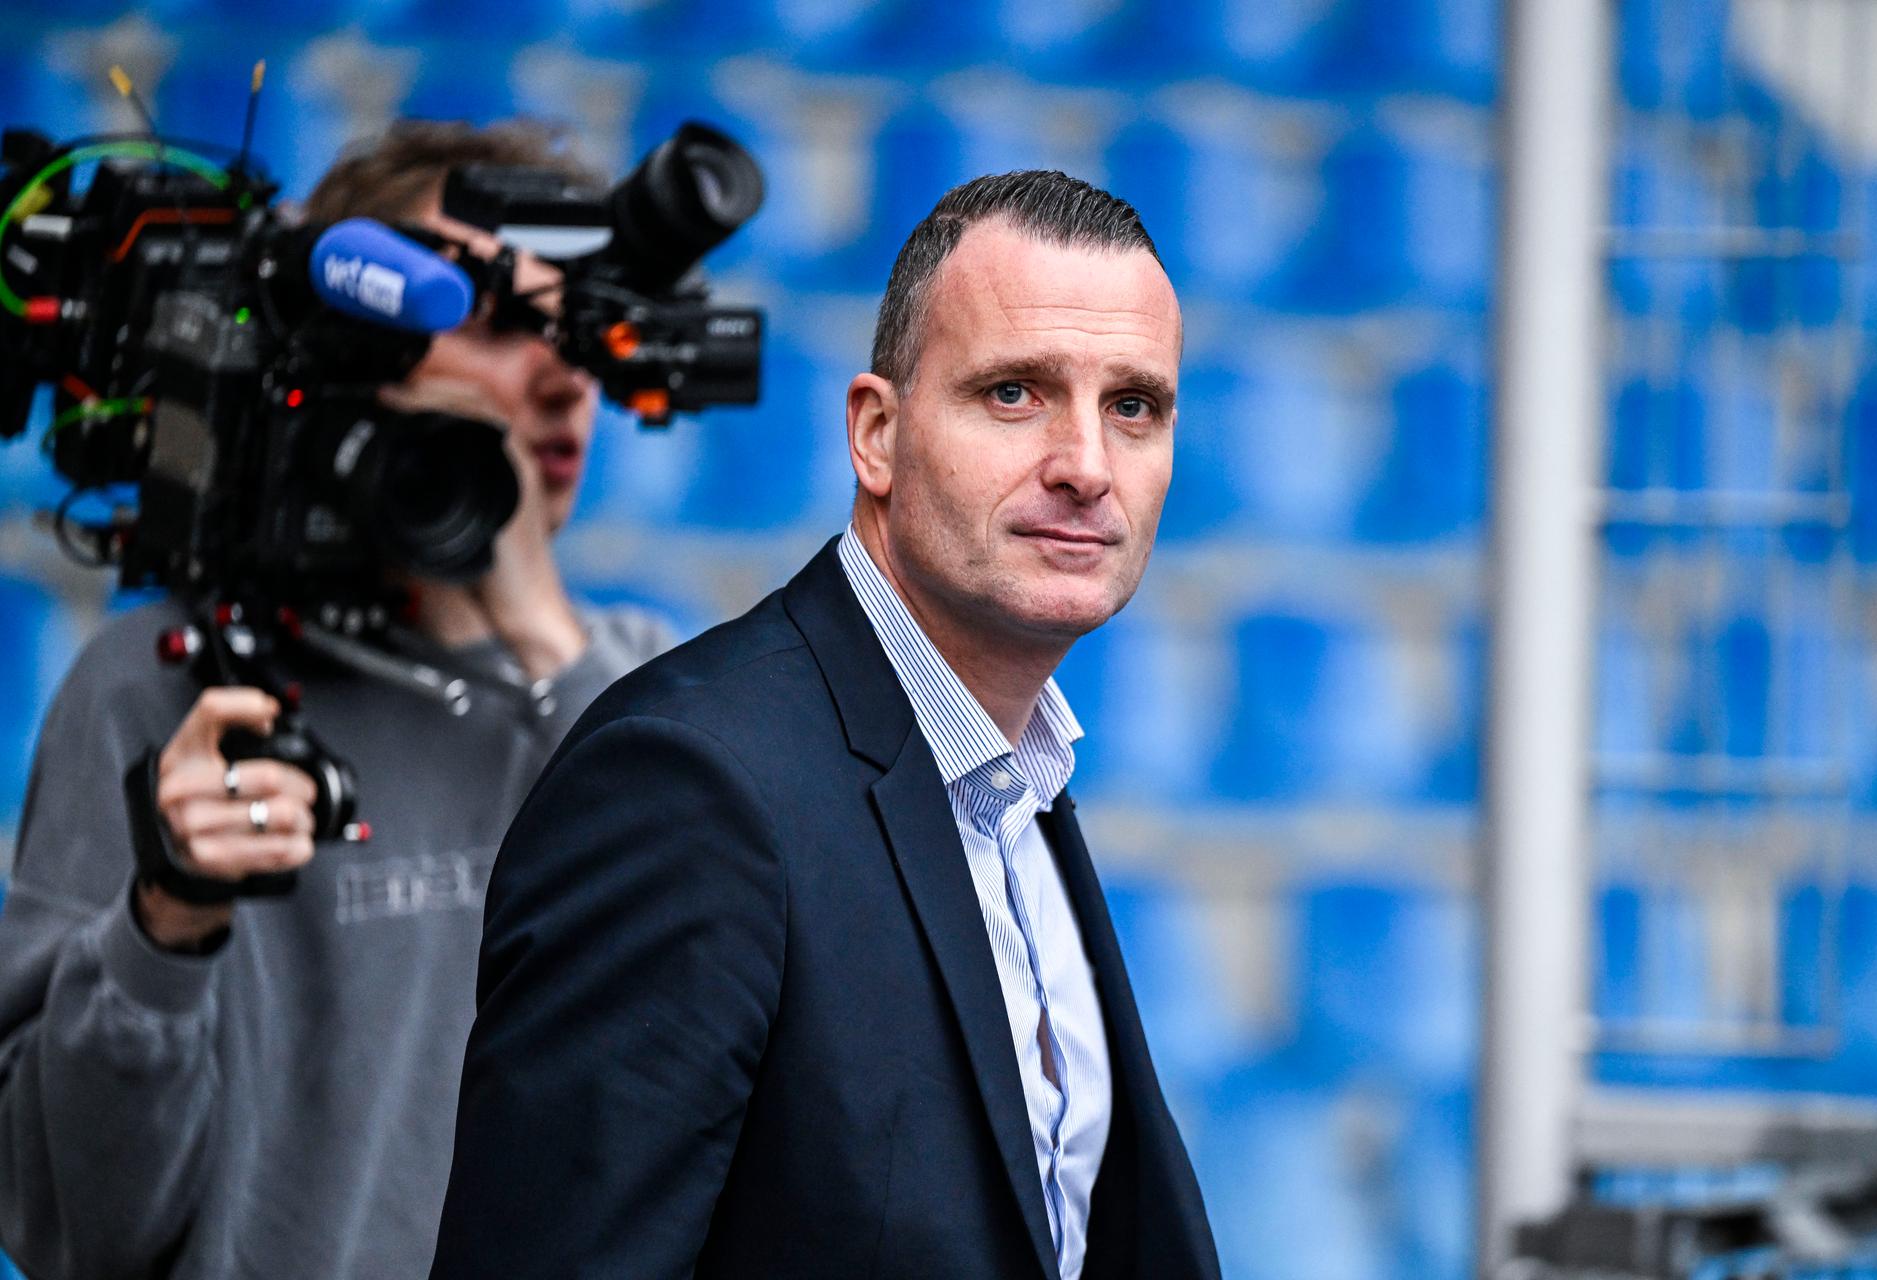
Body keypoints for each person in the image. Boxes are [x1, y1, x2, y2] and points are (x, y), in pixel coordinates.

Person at [431, 170, 1220, 1280]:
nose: (1086, 464)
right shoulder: (686, 787)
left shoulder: (1018, 780)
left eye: (1133, 405)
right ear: (875, 435)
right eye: (1014, 393)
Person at [0, 121, 673, 1280]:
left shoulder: (640, 684)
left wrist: (532, 630)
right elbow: (68, 1221)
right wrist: (164, 926)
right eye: (494, 323)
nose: (563, 378)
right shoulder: (163, 679)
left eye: (575, 333)